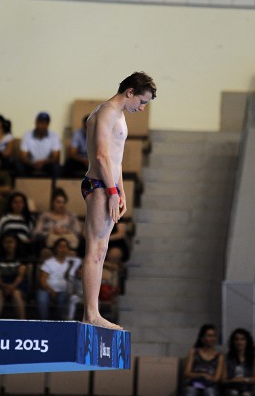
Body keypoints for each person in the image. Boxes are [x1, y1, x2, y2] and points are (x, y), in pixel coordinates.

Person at [80, 71, 156, 329]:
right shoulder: (107, 111)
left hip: (107, 185)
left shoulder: (119, 115)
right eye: (142, 101)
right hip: (100, 185)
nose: (142, 108)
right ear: (130, 92)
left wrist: (121, 190)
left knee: (100, 251)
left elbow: (116, 159)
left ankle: (92, 313)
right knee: (96, 250)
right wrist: (112, 193)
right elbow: (101, 157)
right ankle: (91, 314)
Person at [36, 238, 82, 321]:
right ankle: (43, 321)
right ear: (55, 248)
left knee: (63, 297)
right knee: (42, 298)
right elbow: (42, 280)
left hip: (64, 291)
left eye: (65, 247)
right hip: (47, 290)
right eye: (60, 246)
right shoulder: (49, 262)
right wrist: (50, 291)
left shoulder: (73, 262)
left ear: (68, 249)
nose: (62, 249)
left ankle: (60, 321)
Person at [33, 187, 81, 254]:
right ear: (53, 203)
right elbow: (37, 233)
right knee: (46, 252)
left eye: (63, 202)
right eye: (58, 202)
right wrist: (51, 231)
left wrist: (66, 231)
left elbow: (78, 232)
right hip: (49, 247)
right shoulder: (44, 216)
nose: (61, 205)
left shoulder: (71, 216)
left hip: (68, 247)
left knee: (72, 253)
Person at [0, 233, 27, 319]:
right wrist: (4, 286)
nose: (8, 245)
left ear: (16, 243)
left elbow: (21, 275)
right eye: (6, 242)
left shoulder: (21, 257)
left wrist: (12, 286)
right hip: (2, 284)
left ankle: (23, 323)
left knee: (16, 293)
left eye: (11, 242)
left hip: (18, 284)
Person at [17, 112, 61, 179]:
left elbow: (55, 157)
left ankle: (54, 188)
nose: (43, 125)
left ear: (48, 124)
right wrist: (32, 163)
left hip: (46, 164)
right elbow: (23, 156)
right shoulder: (27, 135)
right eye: (40, 123)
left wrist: (43, 162)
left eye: (45, 123)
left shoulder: (54, 136)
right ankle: (23, 188)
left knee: (56, 167)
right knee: (19, 166)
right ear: (36, 122)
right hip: (31, 163)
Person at [183, 324, 223, 396]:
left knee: (209, 392)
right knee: (191, 392)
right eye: (209, 336)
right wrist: (202, 375)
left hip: (210, 386)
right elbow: (187, 373)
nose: (212, 339)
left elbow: (216, 378)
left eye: (213, 336)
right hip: (195, 383)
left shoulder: (219, 356)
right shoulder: (194, 352)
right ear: (202, 338)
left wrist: (208, 379)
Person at [0, 191, 35, 256]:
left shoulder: (29, 219)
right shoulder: (5, 218)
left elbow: (32, 237)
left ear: (24, 204)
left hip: (24, 246)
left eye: (21, 202)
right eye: (15, 202)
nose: (18, 205)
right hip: (7, 246)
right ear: (11, 204)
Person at [222, 328, 255, 396]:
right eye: (236, 339)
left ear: (247, 341)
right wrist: (233, 380)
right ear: (233, 341)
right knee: (233, 393)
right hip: (231, 388)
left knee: (246, 394)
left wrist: (244, 379)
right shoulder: (227, 358)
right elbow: (223, 380)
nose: (239, 342)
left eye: (242, 339)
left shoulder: (253, 359)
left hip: (248, 389)